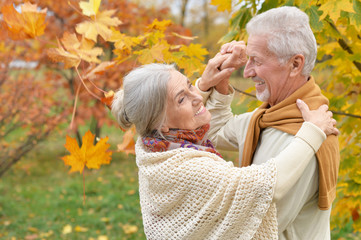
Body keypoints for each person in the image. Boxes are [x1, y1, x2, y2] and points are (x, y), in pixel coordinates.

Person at [111, 62, 338, 239]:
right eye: (182, 99)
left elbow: (209, 130)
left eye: (190, 85)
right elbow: (266, 185)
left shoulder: (156, 145)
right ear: (161, 123)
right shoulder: (187, 168)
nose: (197, 97)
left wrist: (211, 87)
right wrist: (312, 132)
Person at [196, 6, 340, 240]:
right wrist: (215, 82)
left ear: (295, 64)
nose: (247, 72)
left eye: (257, 61)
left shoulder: (307, 136)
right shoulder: (267, 116)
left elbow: (254, 225)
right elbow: (215, 131)